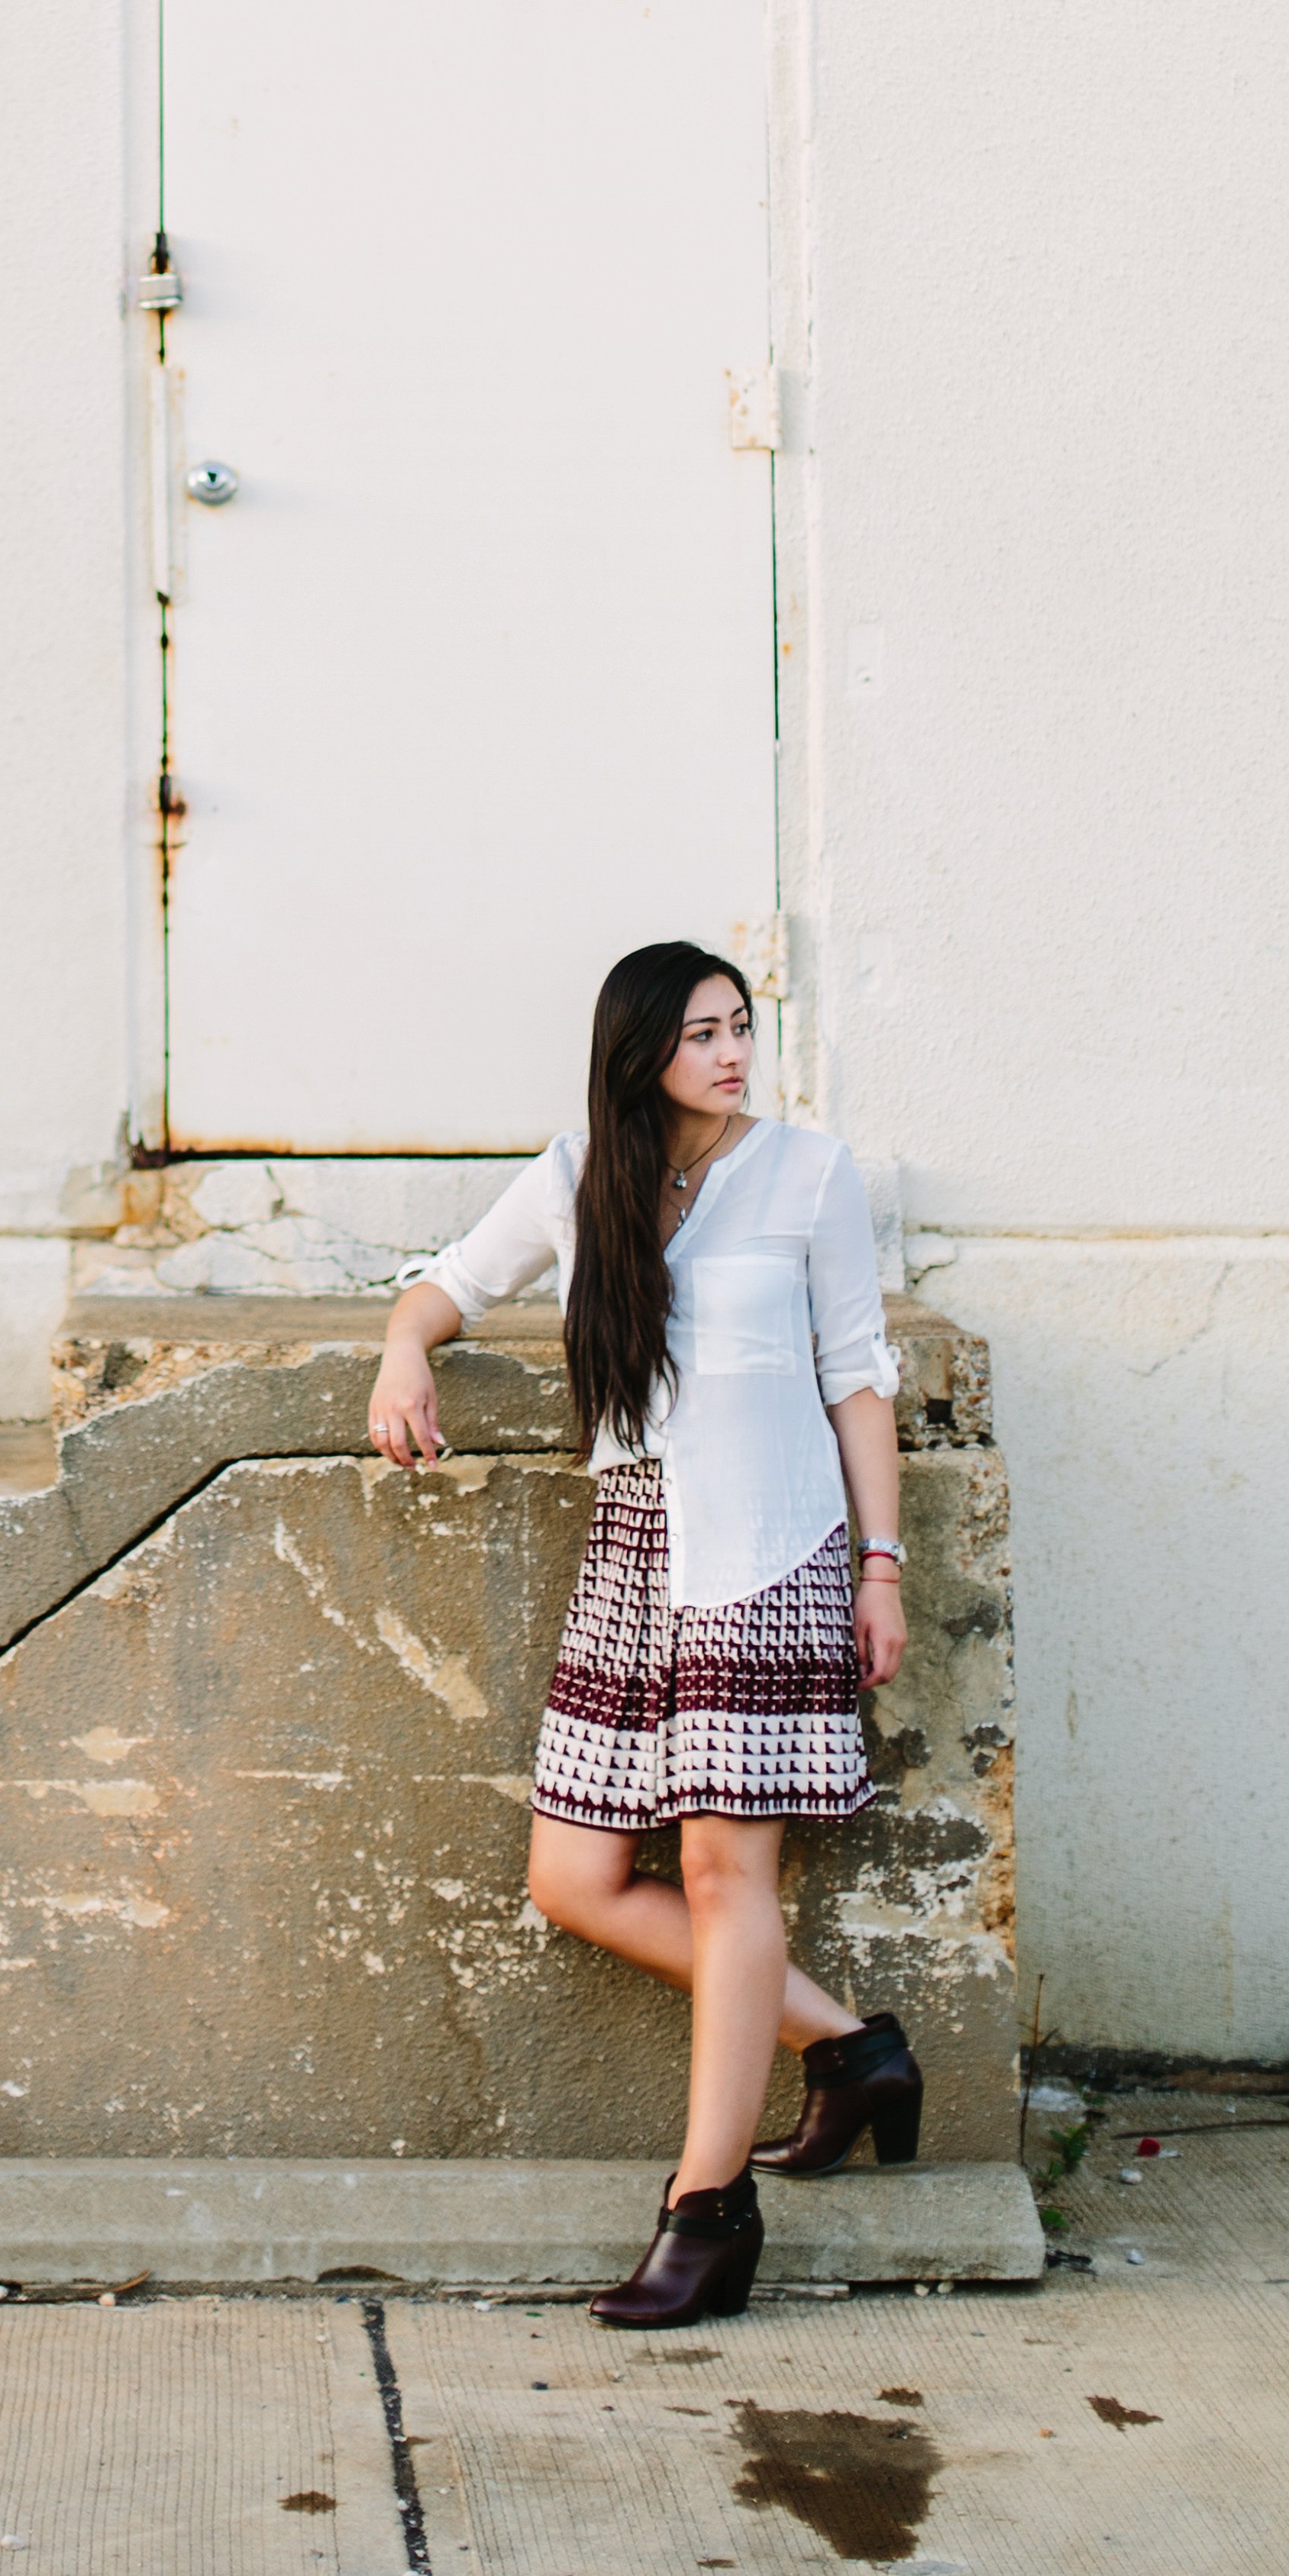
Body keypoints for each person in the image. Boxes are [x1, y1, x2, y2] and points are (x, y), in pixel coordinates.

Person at [364, 938, 919, 2327]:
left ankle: (708, 2211)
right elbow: (450, 1281)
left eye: (741, 1027)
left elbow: (856, 1377)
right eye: (700, 1035)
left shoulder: (809, 1172)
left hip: (772, 1552)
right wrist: (403, 1347)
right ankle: (851, 2051)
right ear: (640, 1054)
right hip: (635, 1557)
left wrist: (881, 1566)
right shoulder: (578, 1174)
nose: (732, 1054)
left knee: (732, 1874)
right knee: (574, 1875)